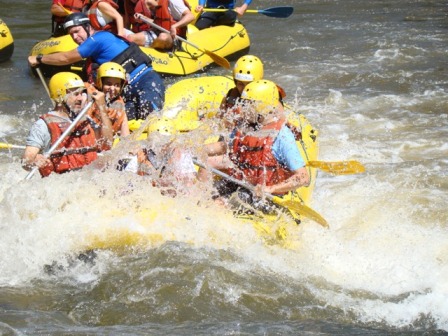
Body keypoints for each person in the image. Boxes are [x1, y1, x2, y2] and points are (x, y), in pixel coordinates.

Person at [28, 12, 165, 121]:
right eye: (71, 34)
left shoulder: (98, 39)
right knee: (116, 119)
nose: (75, 37)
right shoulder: (93, 56)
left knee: (150, 116)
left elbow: (66, 58)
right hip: (124, 91)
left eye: (77, 31)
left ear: (88, 27)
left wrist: (40, 59)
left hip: (145, 81)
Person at [199, 79, 310, 211]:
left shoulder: (282, 136)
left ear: (262, 107)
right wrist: (198, 149)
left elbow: (303, 177)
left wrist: (271, 188)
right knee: (203, 199)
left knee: (216, 205)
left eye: (248, 104)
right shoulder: (245, 126)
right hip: (241, 182)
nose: (241, 108)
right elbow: (227, 146)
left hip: (265, 194)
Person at [22, 72, 114, 177]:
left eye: (82, 93)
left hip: (89, 179)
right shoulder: (42, 125)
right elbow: (25, 162)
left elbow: (107, 143)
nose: (81, 98)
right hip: (62, 183)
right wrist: (34, 160)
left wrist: (102, 108)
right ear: (61, 96)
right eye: (76, 94)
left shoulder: (85, 120)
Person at [122, 117, 197, 196]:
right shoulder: (139, 155)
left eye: (167, 142)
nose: (163, 147)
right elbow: (127, 184)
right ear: (150, 142)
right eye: (159, 142)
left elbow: (189, 186)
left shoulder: (182, 154)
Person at [217, 54, 264, 130]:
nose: (244, 88)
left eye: (249, 84)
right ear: (235, 82)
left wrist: (242, 116)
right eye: (240, 84)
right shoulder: (229, 96)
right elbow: (218, 118)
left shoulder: (264, 99)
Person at [85, 61, 130, 138]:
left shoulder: (119, 104)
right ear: (100, 83)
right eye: (108, 84)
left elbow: (126, 136)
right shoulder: (87, 94)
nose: (112, 88)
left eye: (117, 85)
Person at [127, 0, 194, 50]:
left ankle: (150, 50)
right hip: (157, 32)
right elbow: (157, 23)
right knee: (130, 38)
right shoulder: (159, 2)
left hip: (173, 37)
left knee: (163, 37)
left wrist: (175, 26)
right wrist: (143, 18)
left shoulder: (174, 1)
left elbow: (190, 16)